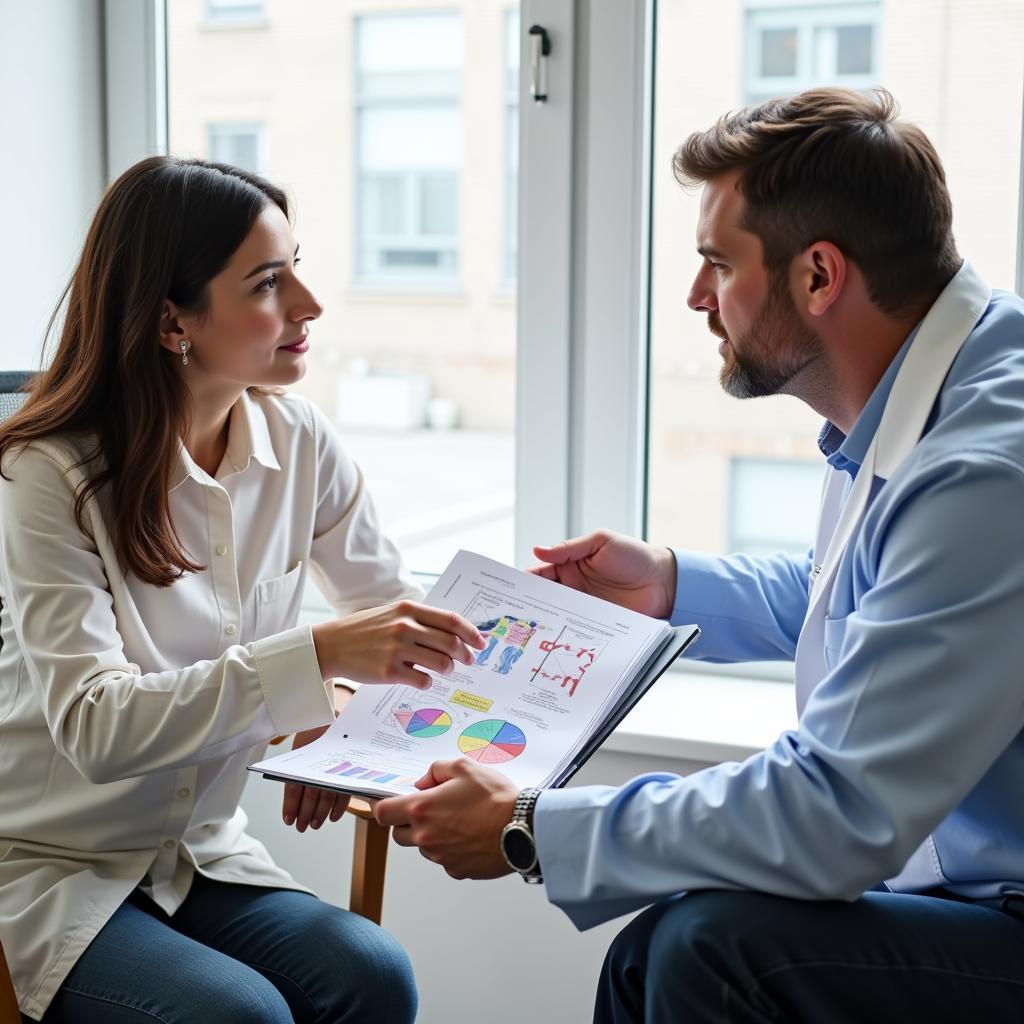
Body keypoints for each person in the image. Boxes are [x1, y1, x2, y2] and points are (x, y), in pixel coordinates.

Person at [375, 87, 1024, 1022]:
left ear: (818, 276)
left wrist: (530, 828)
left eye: (717, 263)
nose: (693, 297)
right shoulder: (926, 389)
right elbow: (870, 597)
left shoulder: (982, 469)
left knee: (711, 953)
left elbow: (836, 813)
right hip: (968, 883)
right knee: (663, 949)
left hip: (1002, 906)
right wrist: (671, 587)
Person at [0, 156, 485, 1023]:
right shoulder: (49, 474)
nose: (308, 304)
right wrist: (316, 659)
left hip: (200, 854)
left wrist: (330, 706)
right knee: (241, 1016)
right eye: (268, 282)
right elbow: (93, 726)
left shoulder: (300, 440)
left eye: (298, 266)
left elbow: (396, 631)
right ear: (170, 321)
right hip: (50, 863)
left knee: (375, 975)